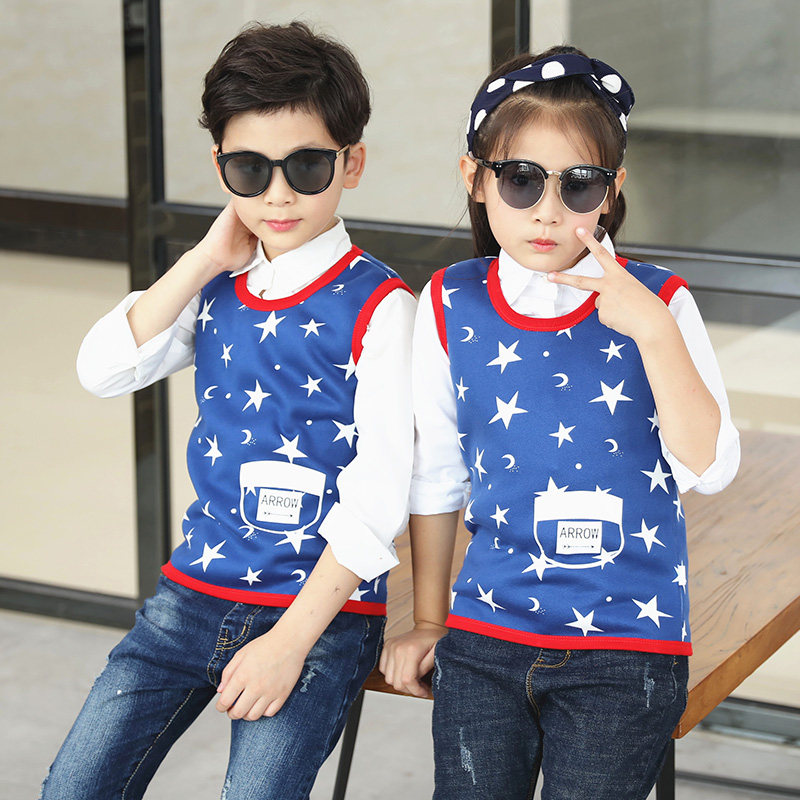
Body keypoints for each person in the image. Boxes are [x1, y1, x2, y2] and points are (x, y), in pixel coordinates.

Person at [41, 21, 415, 800]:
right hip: (193, 593)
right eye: (250, 168)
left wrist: (289, 643)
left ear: (352, 163)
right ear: (221, 168)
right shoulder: (217, 286)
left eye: (307, 166)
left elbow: (379, 497)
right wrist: (206, 256)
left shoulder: (382, 307)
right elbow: (101, 370)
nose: (278, 194)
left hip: (318, 614)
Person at [380, 45, 740, 800]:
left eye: (579, 184)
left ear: (612, 192)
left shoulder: (661, 302)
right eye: (521, 179)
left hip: (628, 646)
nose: (548, 210)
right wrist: (430, 621)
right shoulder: (449, 300)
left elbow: (710, 468)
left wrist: (654, 332)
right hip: (485, 637)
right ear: (476, 179)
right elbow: (436, 474)